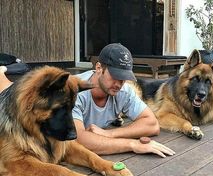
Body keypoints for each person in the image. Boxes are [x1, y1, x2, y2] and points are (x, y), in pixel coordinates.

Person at [0, 43, 174, 157]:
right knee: (6, 86)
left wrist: (109, 133)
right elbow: (79, 139)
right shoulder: (75, 92)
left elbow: (152, 124)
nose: (119, 84)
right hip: (17, 97)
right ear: (99, 68)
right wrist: (132, 144)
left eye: (123, 78)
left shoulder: (123, 91)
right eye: (115, 76)